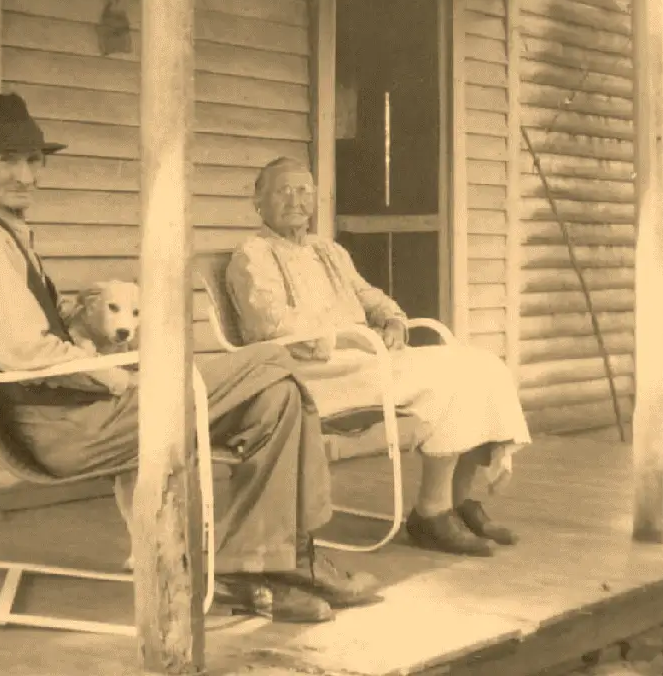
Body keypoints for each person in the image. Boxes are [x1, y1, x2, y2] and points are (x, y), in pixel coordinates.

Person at [0, 93, 383, 624]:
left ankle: (263, 567)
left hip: (74, 412)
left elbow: (27, 327)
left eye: (33, 160)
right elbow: (21, 350)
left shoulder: (6, 234)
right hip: (63, 427)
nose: (24, 175)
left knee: (279, 398)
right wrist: (120, 379)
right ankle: (292, 559)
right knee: (271, 360)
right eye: (6, 160)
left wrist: (75, 320)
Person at [226, 157, 532, 557]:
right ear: (258, 201)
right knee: (446, 378)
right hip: (311, 373)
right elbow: (272, 325)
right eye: (283, 191)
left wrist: (392, 320)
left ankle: (460, 501)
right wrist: (347, 339)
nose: (295, 200)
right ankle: (432, 513)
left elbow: (368, 295)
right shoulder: (252, 256)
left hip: (363, 360)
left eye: (303, 191)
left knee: (482, 365)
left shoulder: (327, 250)